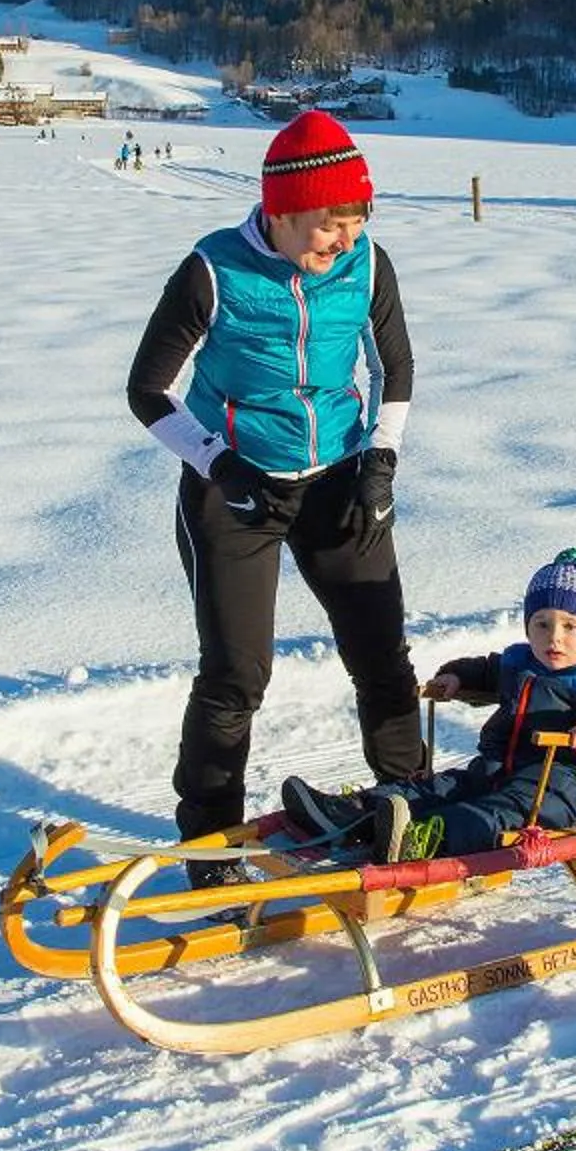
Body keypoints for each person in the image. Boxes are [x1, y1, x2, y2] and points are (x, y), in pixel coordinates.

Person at [126, 110, 425, 885]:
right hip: (236, 493)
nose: (345, 244)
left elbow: (396, 369)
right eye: (331, 227)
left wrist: (380, 461)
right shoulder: (213, 270)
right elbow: (148, 390)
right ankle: (213, 846)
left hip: (340, 479)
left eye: (357, 225)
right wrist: (221, 466)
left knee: (382, 657)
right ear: (283, 212)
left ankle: (411, 802)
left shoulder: (367, 266)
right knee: (235, 676)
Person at [282, 550, 576, 862]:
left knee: (481, 817)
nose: (554, 638)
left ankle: (421, 840)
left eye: (570, 626)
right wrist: (458, 677)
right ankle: (345, 814)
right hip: (492, 772)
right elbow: (488, 670)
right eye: (541, 624)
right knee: (434, 790)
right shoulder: (522, 664)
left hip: (547, 796)